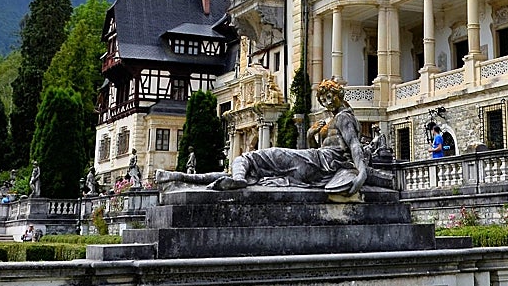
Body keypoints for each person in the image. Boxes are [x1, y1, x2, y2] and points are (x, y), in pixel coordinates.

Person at [157, 79, 371, 197]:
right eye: (323, 99)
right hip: (315, 161)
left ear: (339, 95)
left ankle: (236, 179)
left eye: (329, 97)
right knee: (242, 163)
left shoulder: (343, 117)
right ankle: (179, 177)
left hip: (321, 164)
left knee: (255, 158)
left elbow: (354, 145)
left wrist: (361, 174)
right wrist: (311, 134)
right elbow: (326, 146)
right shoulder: (331, 119)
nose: (326, 102)